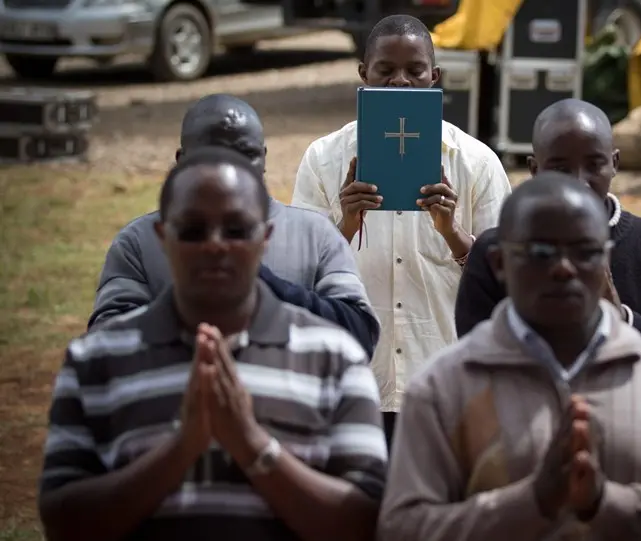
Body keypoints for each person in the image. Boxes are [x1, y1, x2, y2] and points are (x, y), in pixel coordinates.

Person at [39, 147, 387, 541]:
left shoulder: (336, 359)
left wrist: (251, 444)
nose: (215, 245)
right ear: (161, 236)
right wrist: (181, 449)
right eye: (193, 230)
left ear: (265, 238)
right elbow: (62, 522)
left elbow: (365, 522)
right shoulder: (95, 360)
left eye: (236, 229)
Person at [379, 173, 641, 541]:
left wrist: (605, 502)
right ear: (499, 264)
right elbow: (404, 528)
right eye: (541, 252)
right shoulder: (444, 388)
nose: (563, 268)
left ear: (605, 260)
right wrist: (532, 501)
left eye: (584, 252)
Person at [291, 14, 511, 446]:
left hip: (443, 381)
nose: (400, 84)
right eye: (385, 71)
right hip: (354, 382)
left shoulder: (476, 162)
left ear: (435, 77)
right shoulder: (322, 159)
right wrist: (345, 226)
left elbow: (505, 282)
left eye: (415, 71)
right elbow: (299, 279)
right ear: (363, 75)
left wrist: (452, 233)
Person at [89, 94, 380, 358]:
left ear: (264, 158)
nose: (228, 165)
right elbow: (105, 345)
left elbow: (358, 334)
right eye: (211, 151)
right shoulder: (139, 242)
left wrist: (261, 282)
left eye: (244, 153)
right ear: (181, 160)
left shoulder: (316, 235)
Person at [454, 98, 641, 382]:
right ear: (534, 169)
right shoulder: (498, 252)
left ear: (614, 163)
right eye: (561, 168)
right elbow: (473, 368)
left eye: (594, 164)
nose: (579, 181)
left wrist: (623, 320)